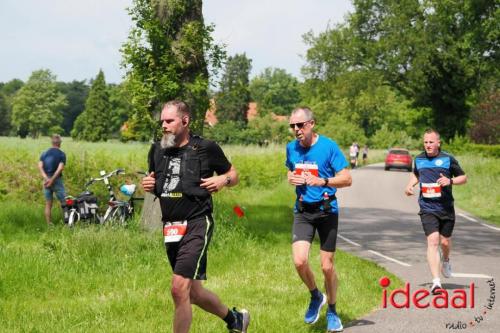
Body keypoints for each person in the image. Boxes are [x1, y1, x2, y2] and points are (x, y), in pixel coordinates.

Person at [141, 100, 249, 333]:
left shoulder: (205, 148)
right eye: (162, 121)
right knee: (194, 293)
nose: (164, 126)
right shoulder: (157, 149)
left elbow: (233, 174)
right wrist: (149, 184)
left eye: (169, 121)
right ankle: (235, 321)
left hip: (197, 223)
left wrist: (223, 180)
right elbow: (155, 180)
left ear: (185, 121)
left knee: (178, 288)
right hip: (170, 227)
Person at [286, 107, 352, 332]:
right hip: (303, 211)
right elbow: (289, 171)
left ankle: (332, 311)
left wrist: (322, 182)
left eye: (300, 125)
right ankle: (316, 296)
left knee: (326, 267)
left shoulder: (328, 147)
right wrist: (292, 177)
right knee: (299, 261)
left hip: (326, 212)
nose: (296, 130)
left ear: (311, 124)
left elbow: (347, 178)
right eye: (292, 126)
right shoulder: (291, 148)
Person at [405, 129, 467, 294]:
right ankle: (436, 282)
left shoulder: (447, 159)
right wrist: (410, 185)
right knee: (432, 241)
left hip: (446, 208)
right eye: (425, 142)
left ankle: (446, 260)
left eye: (431, 142)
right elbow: (416, 175)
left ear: (438, 143)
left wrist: (450, 180)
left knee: (445, 242)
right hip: (427, 208)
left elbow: (464, 178)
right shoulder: (418, 159)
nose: (428, 145)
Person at [38, 134, 66, 225]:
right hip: (56, 180)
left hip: (46, 181)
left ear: (52, 143)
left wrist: (46, 179)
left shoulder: (44, 153)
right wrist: (52, 180)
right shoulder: (62, 154)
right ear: (60, 143)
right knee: (64, 203)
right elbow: (60, 168)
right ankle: (67, 223)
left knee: (48, 204)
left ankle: (49, 225)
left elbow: (40, 166)